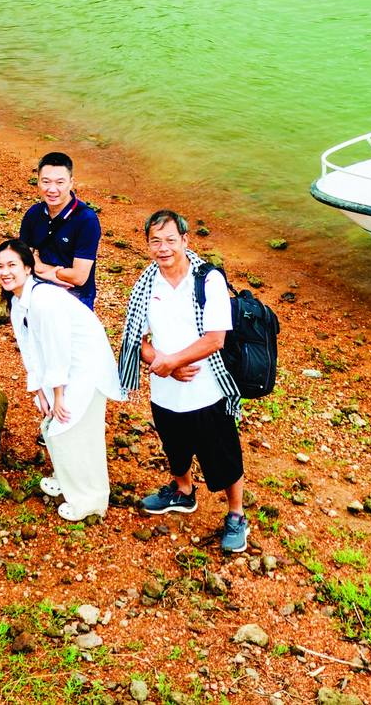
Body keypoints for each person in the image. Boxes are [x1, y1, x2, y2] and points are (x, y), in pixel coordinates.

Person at [117, 210, 249, 554]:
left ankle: (236, 513)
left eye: (170, 240)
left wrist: (174, 361)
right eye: (155, 241)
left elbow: (215, 339)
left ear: (185, 241)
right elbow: (137, 340)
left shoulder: (208, 280)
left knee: (223, 455)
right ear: (147, 245)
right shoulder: (147, 283)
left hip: (206, 390)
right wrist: (163, 364)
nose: (163, 248)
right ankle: (183, 490)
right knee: (174, 445)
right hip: (165, 388)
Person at [0, 238, 123, 521]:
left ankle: (90, 500)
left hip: (85, 368)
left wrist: (59, 395)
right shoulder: (18, 302)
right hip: (64, 370)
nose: (5, 271)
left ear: (29, 268)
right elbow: (30, 350)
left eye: (12, 265)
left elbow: (57, 348)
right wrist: (39, 390)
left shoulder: (44, 299)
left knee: (71, 429)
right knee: (54, 426)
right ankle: (66, 479)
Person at [19, 151, 100, 310]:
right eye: (46, 182)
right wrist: (43, 270)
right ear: (38, 182)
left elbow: (79, 277)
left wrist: (40, 267)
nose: (52, 189)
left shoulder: (86, 220)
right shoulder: (34, 213)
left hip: (75, 296)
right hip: (39, 288)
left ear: (71, 183)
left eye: (60, 182)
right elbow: (22, 258)